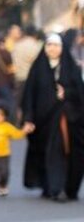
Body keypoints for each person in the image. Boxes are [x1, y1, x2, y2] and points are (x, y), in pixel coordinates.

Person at [21, 33, 84, 202]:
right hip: (43, 122)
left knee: (63, 152)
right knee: (45, 152)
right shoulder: (38, 68)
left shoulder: (71, 68)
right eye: (49, 45)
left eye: (56, 45)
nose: (52, 49)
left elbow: (79, 93)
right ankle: (50, 186)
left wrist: (66, 93)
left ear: (62, 48)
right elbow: (29, 95)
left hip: (67, 120)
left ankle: (62, 188)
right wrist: (28, 118)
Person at [11, 26, 43, 124]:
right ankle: (29, 121)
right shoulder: (35, 45)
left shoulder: (17, 45)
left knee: (18, 102)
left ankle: (17, 122)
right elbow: (39, 62)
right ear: (35, 34)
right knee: (31, 101)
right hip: (31, 78)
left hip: (18, 77)